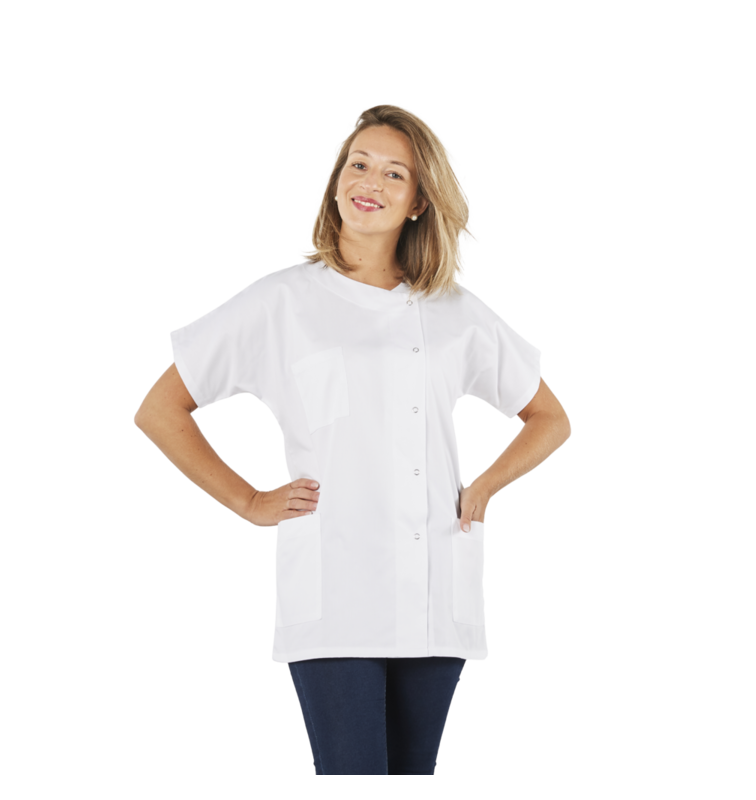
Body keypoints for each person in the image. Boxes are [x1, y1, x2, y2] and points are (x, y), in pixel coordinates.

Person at [131, 102, 573, 774]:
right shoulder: (282, 300)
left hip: (433, 583)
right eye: (359, 164)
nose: (371, 182)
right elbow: (160, 409)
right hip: (335, 583)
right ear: (336, 179)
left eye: (395, 173)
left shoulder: (453, 309)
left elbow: (550, 417)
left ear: (419, 201)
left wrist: (486, 485)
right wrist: (248, 500)